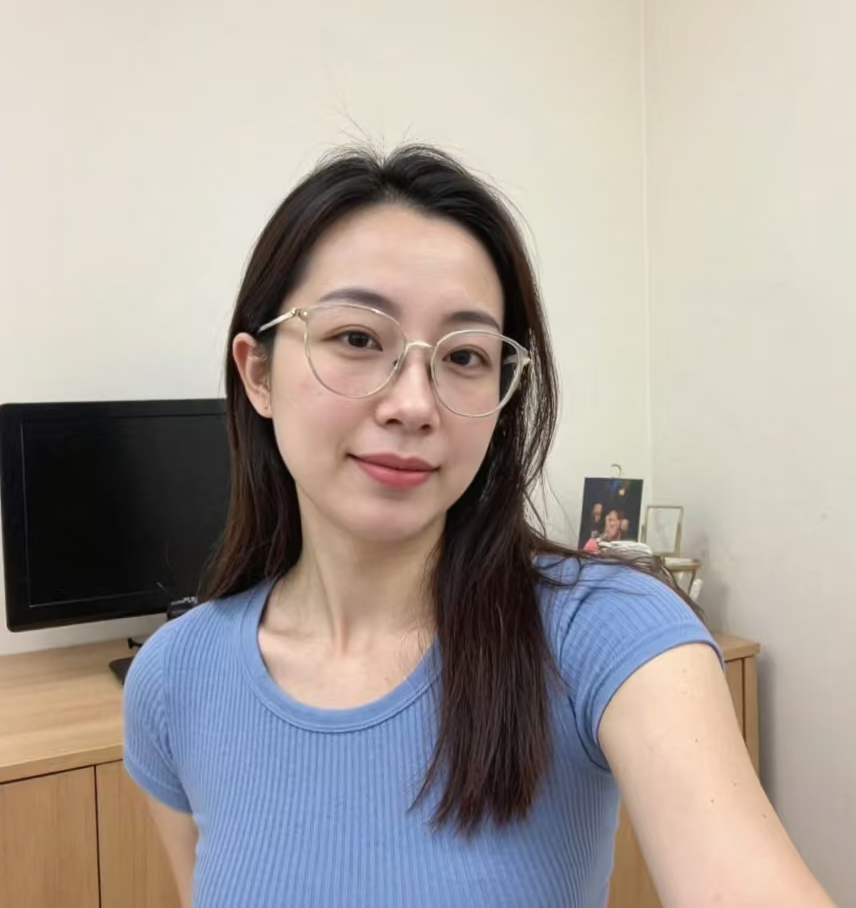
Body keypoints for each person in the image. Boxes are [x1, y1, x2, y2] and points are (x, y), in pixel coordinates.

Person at [123, 145, 835, 908]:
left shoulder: (609, 632)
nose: (414, 404)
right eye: (358, 338)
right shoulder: (172, 680)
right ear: (258, 373)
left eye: (465, 356)